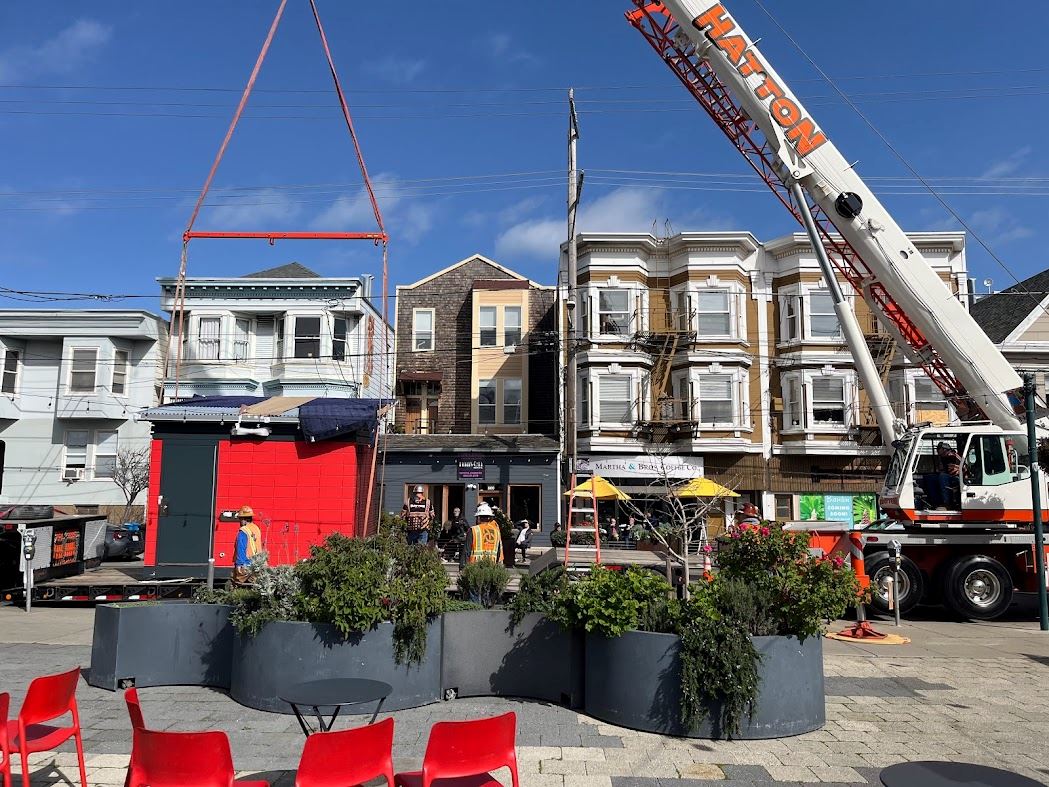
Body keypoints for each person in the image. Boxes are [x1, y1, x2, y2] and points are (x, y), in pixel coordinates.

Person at [463, 502, 503, 567]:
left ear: (478, 518)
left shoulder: (473, 530)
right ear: (489, 517)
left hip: (475, 566)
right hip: (491, 566)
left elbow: (466, 551)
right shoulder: (496, 531)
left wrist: (463, 567)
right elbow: (498, 551)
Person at [232, 505, 263, 584]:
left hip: (245, 564)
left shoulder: (243, 530)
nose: (239, 521)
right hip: (257, 564)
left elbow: (241, 548)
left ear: (243, 519)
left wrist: (239, 564)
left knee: (236, 582)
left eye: (240, 519)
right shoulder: (256, 528)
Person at [933, 441, 963, 509]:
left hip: (959, 477)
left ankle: (947, 502)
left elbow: (949, 470)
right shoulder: (944, 457)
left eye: (939, 449)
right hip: (953, 475)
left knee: (942, 477)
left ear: (944, 449)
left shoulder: (951, 456)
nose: (937, 451)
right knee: (932, 477)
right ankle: (935, 501)